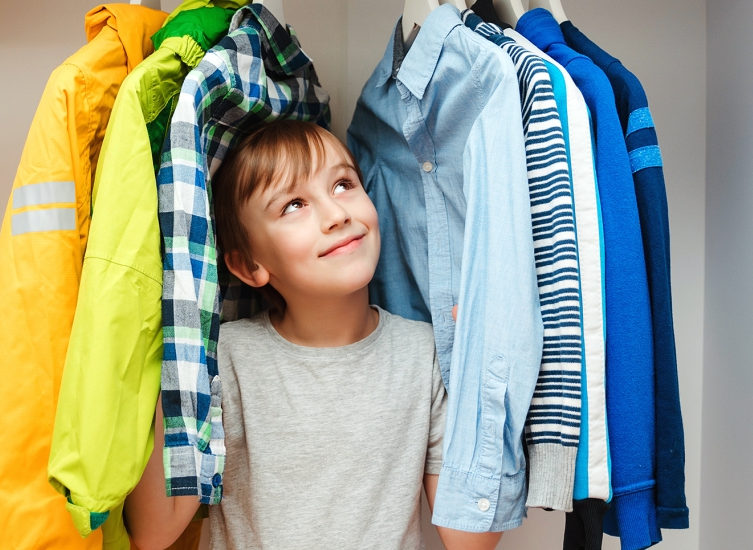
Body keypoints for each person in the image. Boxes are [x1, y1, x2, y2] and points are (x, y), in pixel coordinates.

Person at [124, 120, 502, 549]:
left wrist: (482, 361)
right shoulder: (224, 358)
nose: (337, 214)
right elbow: (154, 533)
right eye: (293, 205)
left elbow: (470, 541)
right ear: (250, 266)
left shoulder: (423, 354)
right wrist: (178, 348)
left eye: (343, 184)